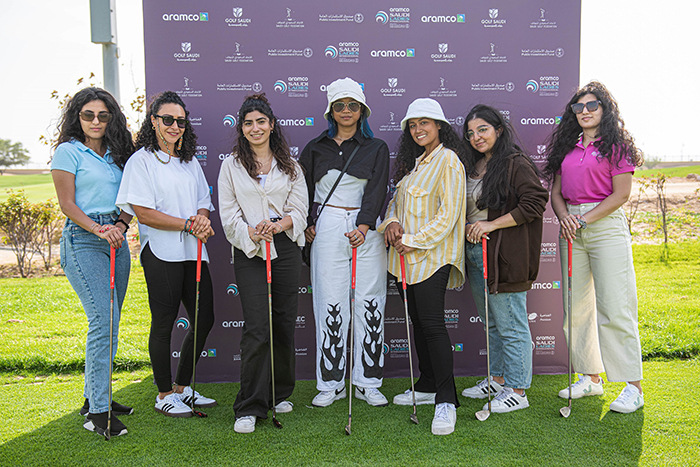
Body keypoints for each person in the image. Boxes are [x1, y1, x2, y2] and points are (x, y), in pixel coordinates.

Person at [544, 81, 645, 413]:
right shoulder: (567, 149)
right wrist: (565, 218)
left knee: (615, 305)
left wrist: (583, 219)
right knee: (575, 308)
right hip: (571, 228)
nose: (585, 112)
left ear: (605, 110)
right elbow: (556, 194)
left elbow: (621, 195)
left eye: (592, 106)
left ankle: (632, 386)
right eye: (579, 107)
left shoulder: (617, 147)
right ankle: (591, 377)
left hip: (604, 225)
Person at [116, 91, 217, 418]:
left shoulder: (189, 161)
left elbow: (204, 198)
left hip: (194, 252)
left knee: (206, 317)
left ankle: (182, 388)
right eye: (168, 120)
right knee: (164, 323)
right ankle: (163, 394)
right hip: (160, 253)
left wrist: (200, 219)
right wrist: (190, 223)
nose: (175, 126)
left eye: (180, 121)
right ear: (154, 122)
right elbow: (144, 213)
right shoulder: (141, 160)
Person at [218, 94, 308, 433]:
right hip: (251, 250)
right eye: (248, 123)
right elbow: (228, 215)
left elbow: (300, 210)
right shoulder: (231, 166)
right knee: (258, 327)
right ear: (242, 129)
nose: (255, 128)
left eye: (260, 121)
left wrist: (280, 224)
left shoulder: (291, 166)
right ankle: (249, 405)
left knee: (283, 323)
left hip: (284, 248)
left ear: (271, 125)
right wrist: (251, 233)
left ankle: (278, 391)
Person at [299, 77, 390, 408]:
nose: (347, 111)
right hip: (327, 227)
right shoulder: (314, 148)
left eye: (353, 105)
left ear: (362, 110)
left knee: (370, 301)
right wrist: (308, 224)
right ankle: (331, 383)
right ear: (331, 111)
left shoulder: (376, 147)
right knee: (329, 301)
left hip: (367, 228)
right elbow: (302, 193)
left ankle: (368, 381)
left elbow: (378, 189)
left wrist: (365, 225)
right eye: (340, 106)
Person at [378, 98, 466, 435]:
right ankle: (428, 384)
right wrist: (393, 224)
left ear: (439, 126)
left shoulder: (449, 161)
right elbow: (395, 205)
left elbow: (449, 215)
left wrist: (411, 239)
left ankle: (446, 401)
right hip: (405, 260)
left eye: (424, 124)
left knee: (432, 325)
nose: (418, 130)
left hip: (433, 257)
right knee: (417, 323)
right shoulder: (415, 166)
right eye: (413, 125)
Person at [51, 87, 135, 437]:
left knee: (111, 321)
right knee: (102, 319)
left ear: (112, 117)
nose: (96, 121)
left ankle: (95, 395)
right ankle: (98, 413)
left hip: (116, 238)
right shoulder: (68, 152)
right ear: (77, 117)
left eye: (103, 115)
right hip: (84, 237)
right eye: (88, 115)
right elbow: (67, 205)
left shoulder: (119, 154)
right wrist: (99, 229)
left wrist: (119, 225)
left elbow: (132, 197)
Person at [460, 104, 548, 413]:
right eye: (471, 133)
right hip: (475, 252)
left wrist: (492, 224)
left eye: (482, 129)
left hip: (504, 254)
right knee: (492, 323)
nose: (476, 137)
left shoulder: (514, 163)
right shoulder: (475, 165)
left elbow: (536, 201)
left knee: (511, 324)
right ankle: (498, 379)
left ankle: (518, 390)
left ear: (499, 129)